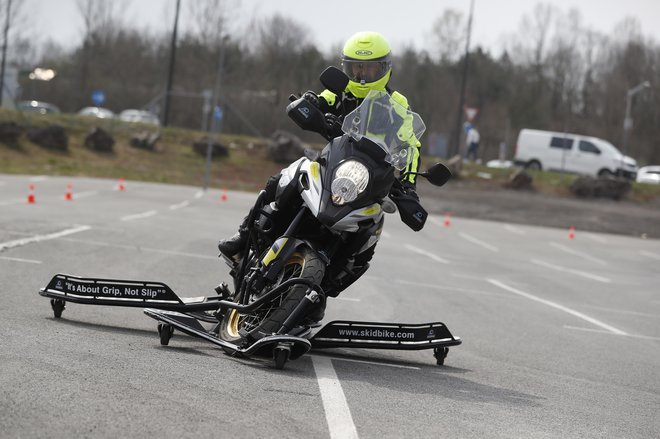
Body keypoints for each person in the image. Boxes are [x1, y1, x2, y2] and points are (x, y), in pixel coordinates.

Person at [218, 31, 422, 281]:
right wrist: (310, 102)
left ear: (385, 69)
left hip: (369, 179)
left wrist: (409, 186)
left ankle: (335, 279)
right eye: (355, 68)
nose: (361, 75)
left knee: (371, 230)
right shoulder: (341, 90)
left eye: (369, 69)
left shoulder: (397, 104)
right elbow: (320, 100)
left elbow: (410, 146)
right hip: (335, 162)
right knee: (290, 176)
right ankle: (242, 239)